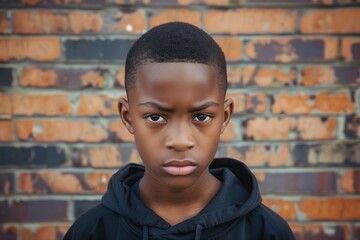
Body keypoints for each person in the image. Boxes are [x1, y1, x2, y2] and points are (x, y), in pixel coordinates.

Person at [63, 22, 295, 240]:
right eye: (156, 117)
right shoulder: (92, 231)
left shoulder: (267, 232)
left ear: (224, 117)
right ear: (127, 117)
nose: (180, 141)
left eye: (201, 117)